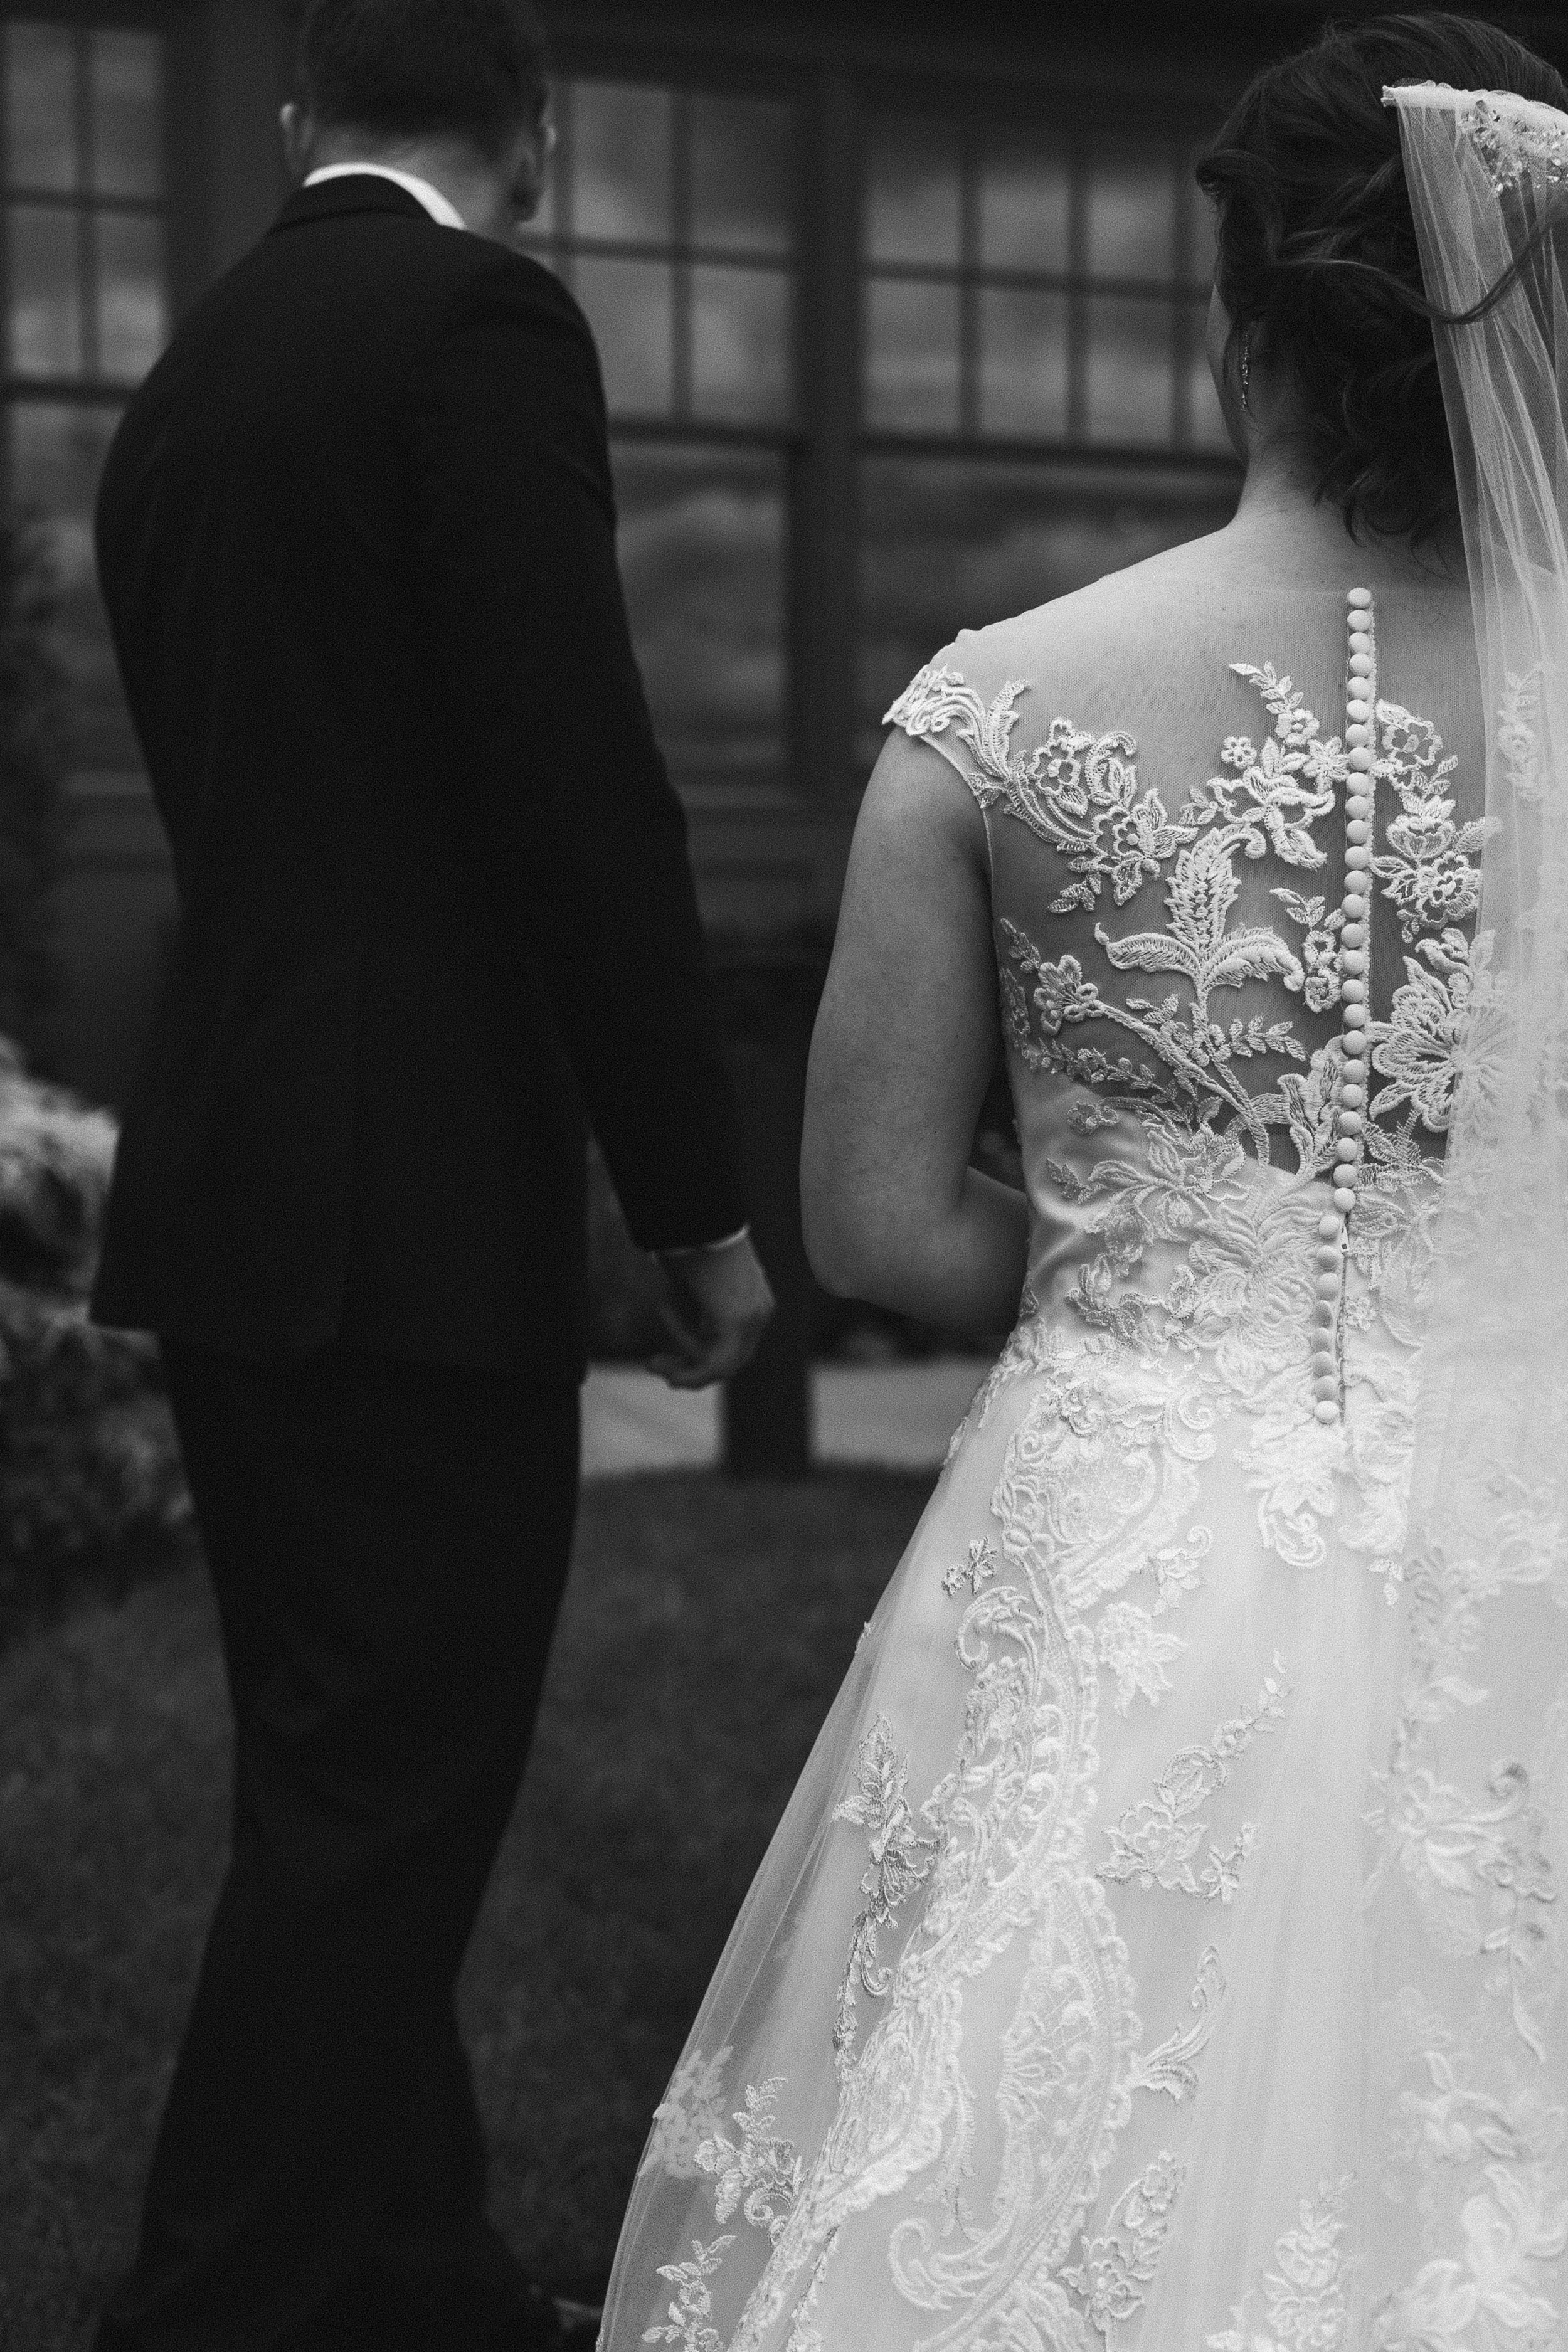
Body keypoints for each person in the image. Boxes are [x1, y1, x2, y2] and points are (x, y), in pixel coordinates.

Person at [600, 14, 1568, 2347]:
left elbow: (871, 1221)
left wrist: (1160, 1268)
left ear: (1229, 312)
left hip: (1122, 1500)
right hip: (1523, 1491)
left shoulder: (996, 707)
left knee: (1013, 2103)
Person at [88, 2, 773, 2346]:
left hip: (230, 1175)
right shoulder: (482, 322)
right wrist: (691, 1200)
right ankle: (217, 2286)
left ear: (298, 121)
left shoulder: (182, 387)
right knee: (394, 1799)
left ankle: (401, 2259)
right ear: (538, 137)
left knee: (334, 1767)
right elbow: (573, 779)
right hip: (411, 1212)